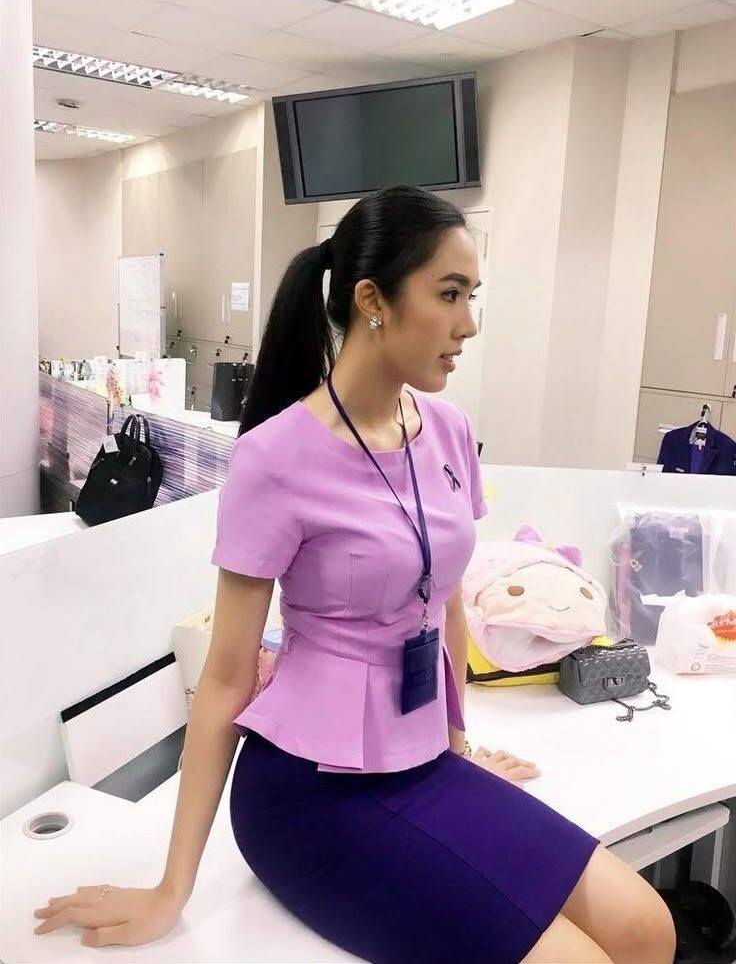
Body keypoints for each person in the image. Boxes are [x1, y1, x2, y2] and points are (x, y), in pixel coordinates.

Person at [33, 186, 676, 963]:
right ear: (373, 300)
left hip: (425, 764)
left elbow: (444, 602)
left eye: (472, 296)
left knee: (649, 929)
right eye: (449, 294)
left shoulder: (448, 429)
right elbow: (227, 680)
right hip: (312, 795)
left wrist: (458, 745)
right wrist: (172, 887)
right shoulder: (275, 459)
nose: (469, 323)